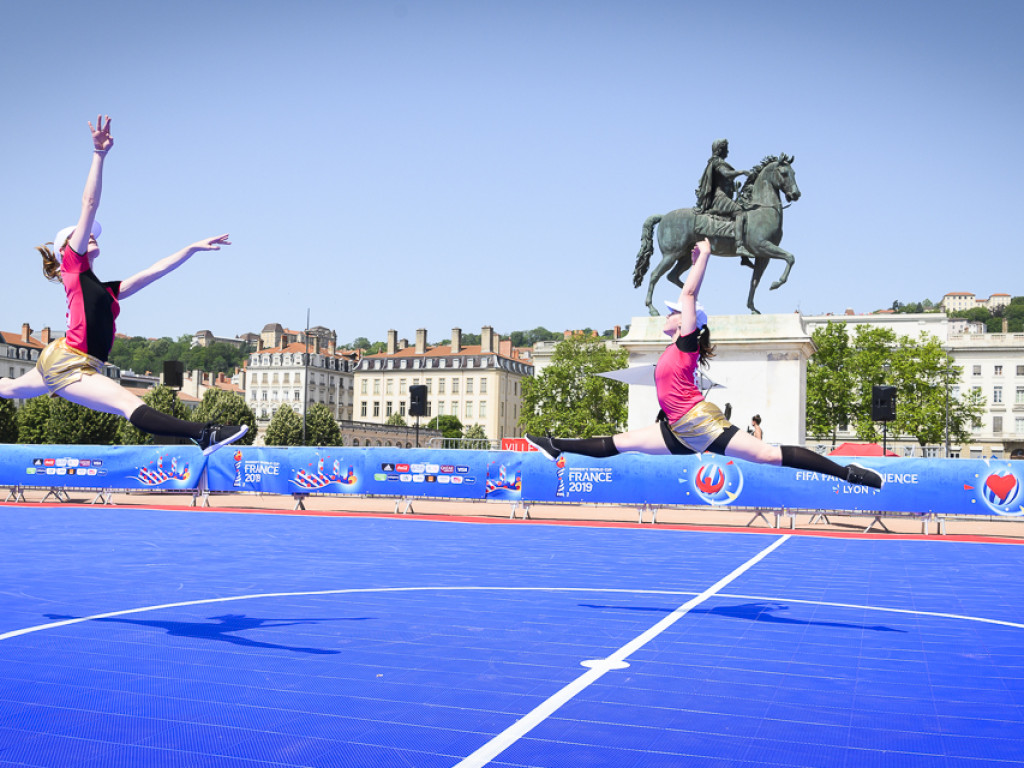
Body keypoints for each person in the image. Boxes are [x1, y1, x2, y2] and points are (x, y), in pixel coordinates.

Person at [526, 238, 882, 489]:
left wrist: (704, 256)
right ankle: (557, 445)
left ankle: (846, 472)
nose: (667, 314)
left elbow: (689, 294)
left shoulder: (686, 344)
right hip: (679, 429)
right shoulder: (672, 350)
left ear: (686, 322)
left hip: (699, 422)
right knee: (621, 442)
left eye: (672, 313)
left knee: (770, 455)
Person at [0, 116, 247, 455]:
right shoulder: (73, 265)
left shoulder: (106, 289)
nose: (93, 236)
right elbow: (89, 204)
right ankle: (205, 434)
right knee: (127, 404)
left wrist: (190, 249)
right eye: (86, 235)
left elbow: (156, 270)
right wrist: (98, 154)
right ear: (68, 247)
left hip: (64, 358)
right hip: (70, 361)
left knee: (10, 388)